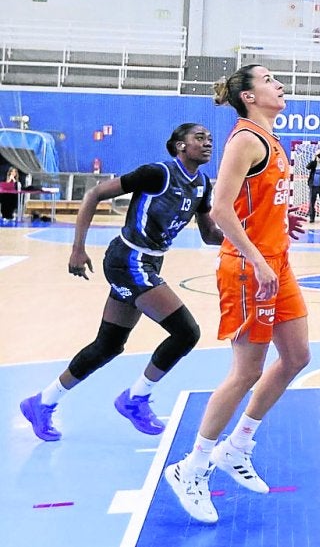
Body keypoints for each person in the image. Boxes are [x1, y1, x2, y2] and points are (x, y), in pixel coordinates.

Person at [163, 65, 308, 526]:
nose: (279, 84)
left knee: (297, 357)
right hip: (250, 270)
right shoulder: (246, 139)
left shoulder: (272, 138)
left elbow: (255, 203)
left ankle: (238, 445)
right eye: (268, 80)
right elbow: (220, 209)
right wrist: (258, 259)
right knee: (246, 371)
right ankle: (192, 467)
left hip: (275, 263)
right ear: (248, 97)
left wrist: (282, 224)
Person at [19, 124, 219, 443]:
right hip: (129, 259)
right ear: (180, 146)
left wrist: (253, 237)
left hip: (149, 261)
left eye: (210, 139)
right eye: (199, 138)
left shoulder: (203, 184)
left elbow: (210, 235)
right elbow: (95, 194)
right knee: (186, 332)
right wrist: (77, 248)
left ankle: (41, 402)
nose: (208, 143)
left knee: (109, 345)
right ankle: (135, 399)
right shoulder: (157, 173)